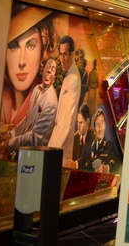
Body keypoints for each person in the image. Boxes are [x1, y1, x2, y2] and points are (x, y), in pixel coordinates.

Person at [1, 6, 57, 127]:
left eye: (30, 46)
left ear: (43, 48)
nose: (21, 62)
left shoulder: (44, 101)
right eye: (14, 46)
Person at [0, 57, 59, 159]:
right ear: (43, 70)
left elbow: (35, 138)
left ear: (54, 77)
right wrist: (10, 134)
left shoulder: (51, 102)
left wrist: (9, 144)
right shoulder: (36, 89)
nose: (49, 70)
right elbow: (27, 119)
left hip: (38, 156)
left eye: (52, 69)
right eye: (47, 67)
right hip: (25, 152)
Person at [48, 35, 81, 163]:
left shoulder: (73, 79)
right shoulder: (69, 76)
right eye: (60, 54)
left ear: (72, 55)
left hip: (60, 150)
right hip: (57, 147)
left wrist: (53, 151)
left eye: (65, 55)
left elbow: (66, 121)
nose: (61, 59)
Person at [69, 108, 118, 173]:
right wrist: (74, 164)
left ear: (105, 126)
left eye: (102, 123)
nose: (100, 128)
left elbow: (115, 162)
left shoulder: (109, 145)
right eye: (97, 124)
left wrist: (106, 168)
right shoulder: (89, 146)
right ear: (94, 128)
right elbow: (83, 160)